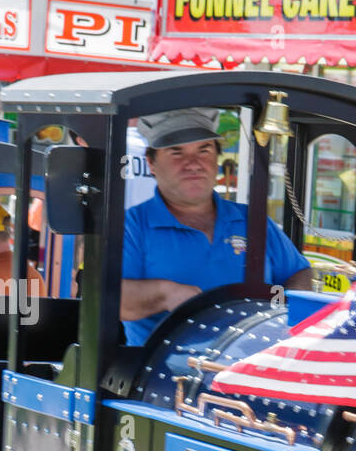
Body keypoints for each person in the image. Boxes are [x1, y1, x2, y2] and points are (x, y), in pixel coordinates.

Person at [122, 108, 312, 346]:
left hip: (250, 366)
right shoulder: (132, 226)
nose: (193, 163)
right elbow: (111, 301)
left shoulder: (252, 221)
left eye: (204, 150)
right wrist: (164, 293)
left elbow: (300, 273)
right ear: (151, 163)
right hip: (164, 373)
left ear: (216, 160)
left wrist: (280, 313)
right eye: (176, 152)